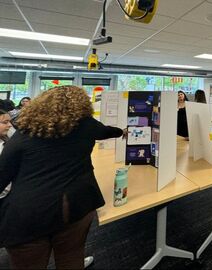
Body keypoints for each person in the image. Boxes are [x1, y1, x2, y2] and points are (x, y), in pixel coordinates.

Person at [0, 86, 125, 269]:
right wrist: (123, 131)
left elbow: (3, 174)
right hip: (77, 203)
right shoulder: (86, 124)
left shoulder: (26, 132)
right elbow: (107, 132)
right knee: (71, 257)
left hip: (29, 211)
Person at [0, 109, 13, 205]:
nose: (10, 125)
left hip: (5, 196)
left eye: (10, 122)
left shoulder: (7, 143)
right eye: (5, 122)